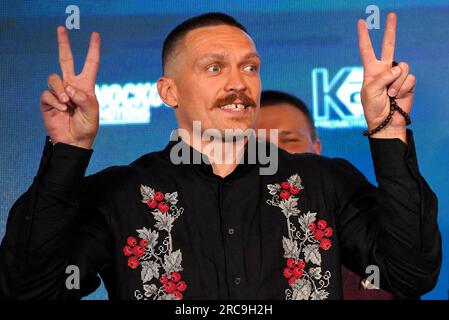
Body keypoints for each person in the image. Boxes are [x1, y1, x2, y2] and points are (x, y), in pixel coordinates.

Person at [0, 12, 441, 300]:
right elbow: (28, 288)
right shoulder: (121, 193)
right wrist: (68, 152)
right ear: (168, 91)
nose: (238, 83)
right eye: (215, 67)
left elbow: (409, 273)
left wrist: (390, 129)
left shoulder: (324, 182)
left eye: (249, 67)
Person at [256, 90, 398, 300]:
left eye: (290, 140)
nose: (277, 155)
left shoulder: (363, 238)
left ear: (317, 149)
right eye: (261, 146)